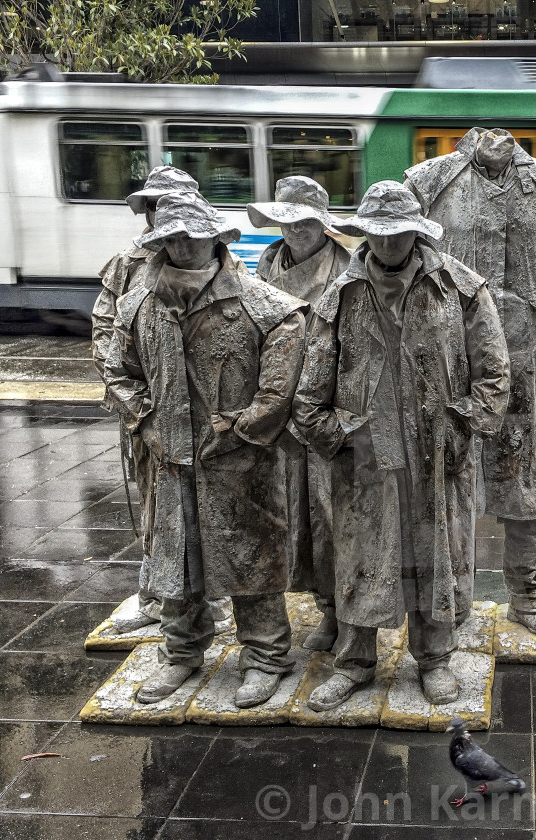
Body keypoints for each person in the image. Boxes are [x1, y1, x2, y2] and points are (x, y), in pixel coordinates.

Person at [293, 181, 510, 710]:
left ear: (417, 231)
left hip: (437, 458)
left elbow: (495, 375)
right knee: (361, 557)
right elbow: (309, 394)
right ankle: (355, 662)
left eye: (399, 235)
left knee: (436, 554)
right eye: (378, 235)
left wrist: (459, 429)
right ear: (364, 233)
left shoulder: (461, 289)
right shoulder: (339, 297)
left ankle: (435, 659)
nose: (388, 246)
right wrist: (341, 438)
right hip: (365, 463)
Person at [105, 192, 308, 709]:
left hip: (238, 462)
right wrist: (145, 421)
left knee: (251, 556)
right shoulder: (138, 306)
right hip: (167, 458)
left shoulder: (265, 307)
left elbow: (278, 389)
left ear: (216, 237)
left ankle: (265, 657)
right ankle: (181, 653)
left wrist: (242, 430)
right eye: (171, 236)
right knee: (174, 557)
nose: (182, 245)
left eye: (192, 235)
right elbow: (118, 374)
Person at [405, 126, 536, 637]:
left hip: (524, 356)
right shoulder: (430, 178)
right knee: (444, 479)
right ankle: (449, 601)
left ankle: (526, 597)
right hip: (450, 354)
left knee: (523, 480)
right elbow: (397, 238)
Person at [91, 165, 199, 635]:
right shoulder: (126, 264)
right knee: (155, 505)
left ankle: (208, 598)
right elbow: (104, 332)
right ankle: (156, 596)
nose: (162, 214)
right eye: (155, 205)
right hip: (147, 409)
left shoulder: (207, 252)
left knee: (207, 505)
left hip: (201, 408)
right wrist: (135, 404)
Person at [247, 176, 351, 652]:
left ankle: (338, 612)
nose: (294, 233)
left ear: (321, 224)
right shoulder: (265, 263)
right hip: (276, 409)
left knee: (332, 518)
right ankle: (309, 599)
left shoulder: (345, 268)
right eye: (286, 223)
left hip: (325, 408)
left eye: (304, 224)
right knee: (287, 517)